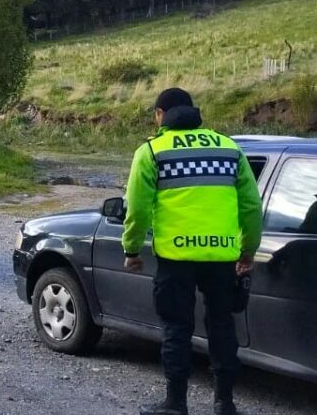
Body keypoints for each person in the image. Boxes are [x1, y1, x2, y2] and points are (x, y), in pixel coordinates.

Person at [123, 88, 262, 415]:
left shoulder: (152, 151)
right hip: (222, 259)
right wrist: (248, 251)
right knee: (222, 326)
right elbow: (252, 207)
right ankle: (224, 403)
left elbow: (138, 210)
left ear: (160, 115)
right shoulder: (229, 148)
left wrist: (132, 249)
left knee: (176, 328)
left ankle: (175, 403)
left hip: (176, 259)